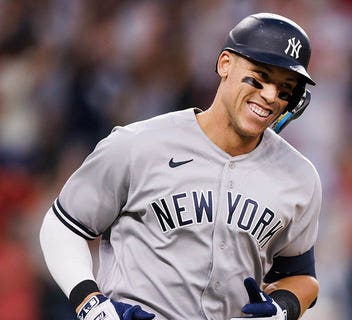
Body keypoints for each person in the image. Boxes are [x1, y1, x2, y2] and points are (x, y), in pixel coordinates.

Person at [39, 12, 321, 320]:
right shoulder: (139, 144)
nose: (270, 95)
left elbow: (302, 276)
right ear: (225, 63)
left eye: (286, 88)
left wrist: (283, 309)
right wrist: (91, 302)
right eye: (261, 76)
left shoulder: (299, 176)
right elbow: (62, 226)